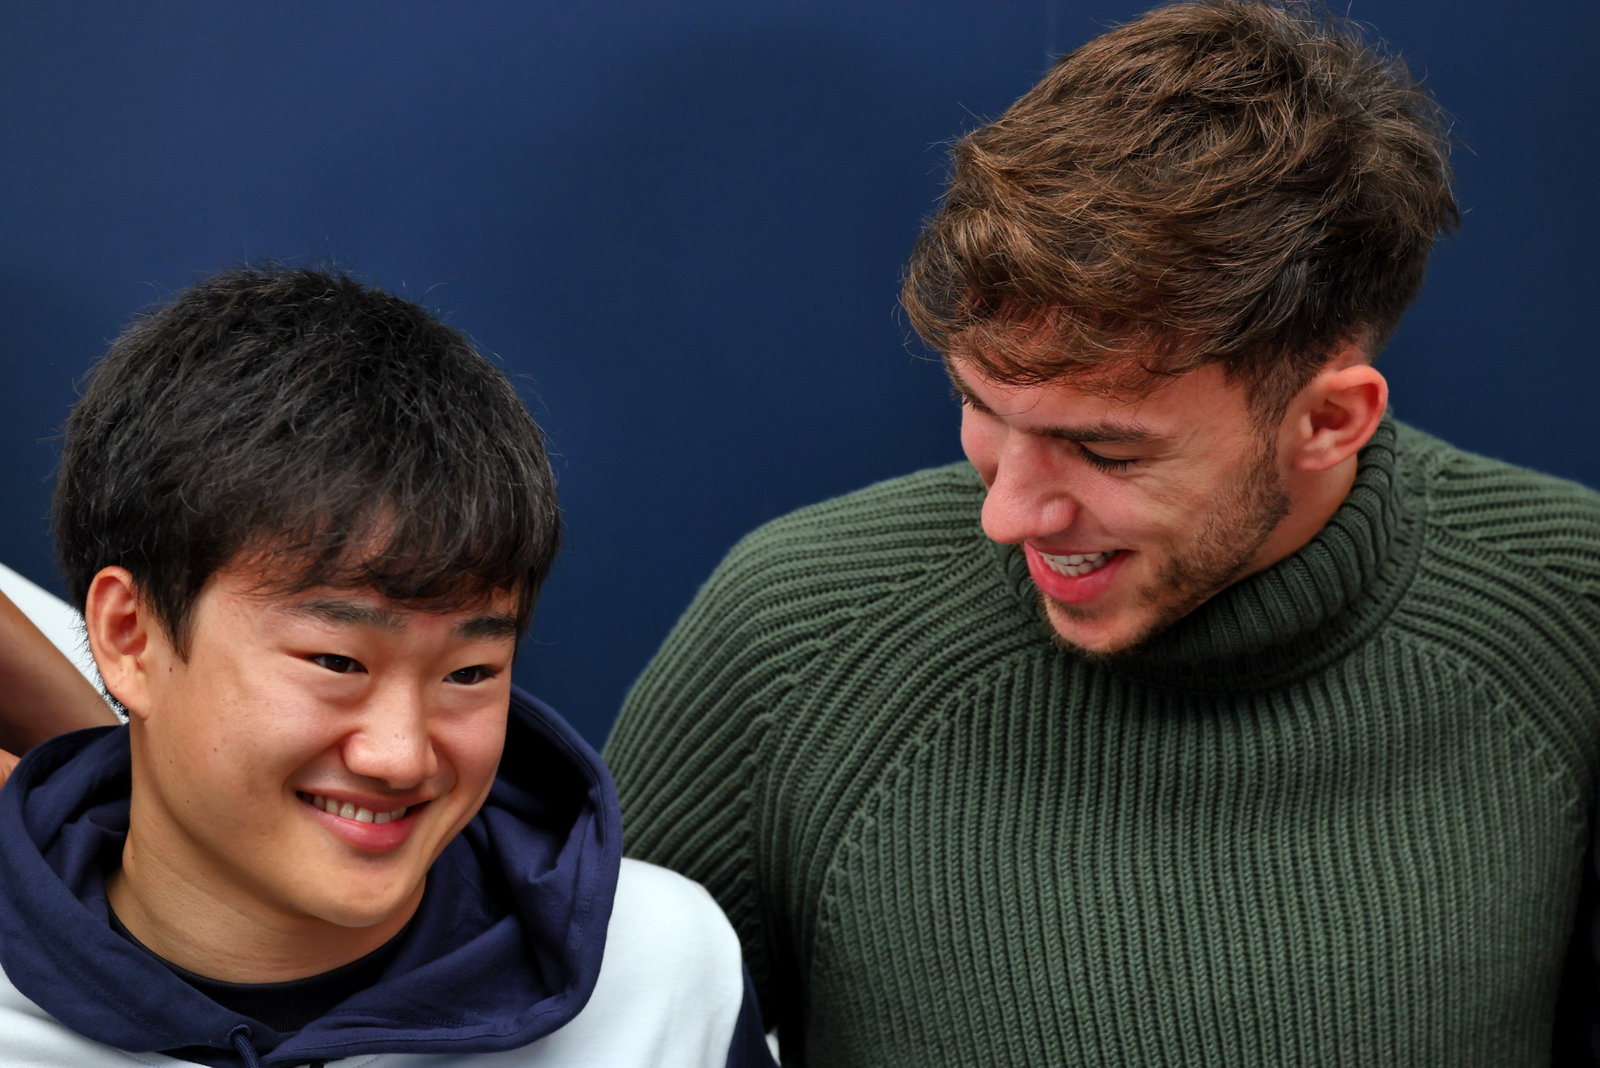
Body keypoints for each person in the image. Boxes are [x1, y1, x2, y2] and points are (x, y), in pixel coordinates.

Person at [604, 2, 1600, 1064]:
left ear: (1327, 421)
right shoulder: (791, 639)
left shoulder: (1570, 624)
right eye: (983, 408)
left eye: (1104, 452)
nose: (1006, 514)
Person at [0, 267, 774, 1066]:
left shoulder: (659, 970)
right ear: (132, 636)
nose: (401, 756)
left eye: (470, 672)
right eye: (337, 661)